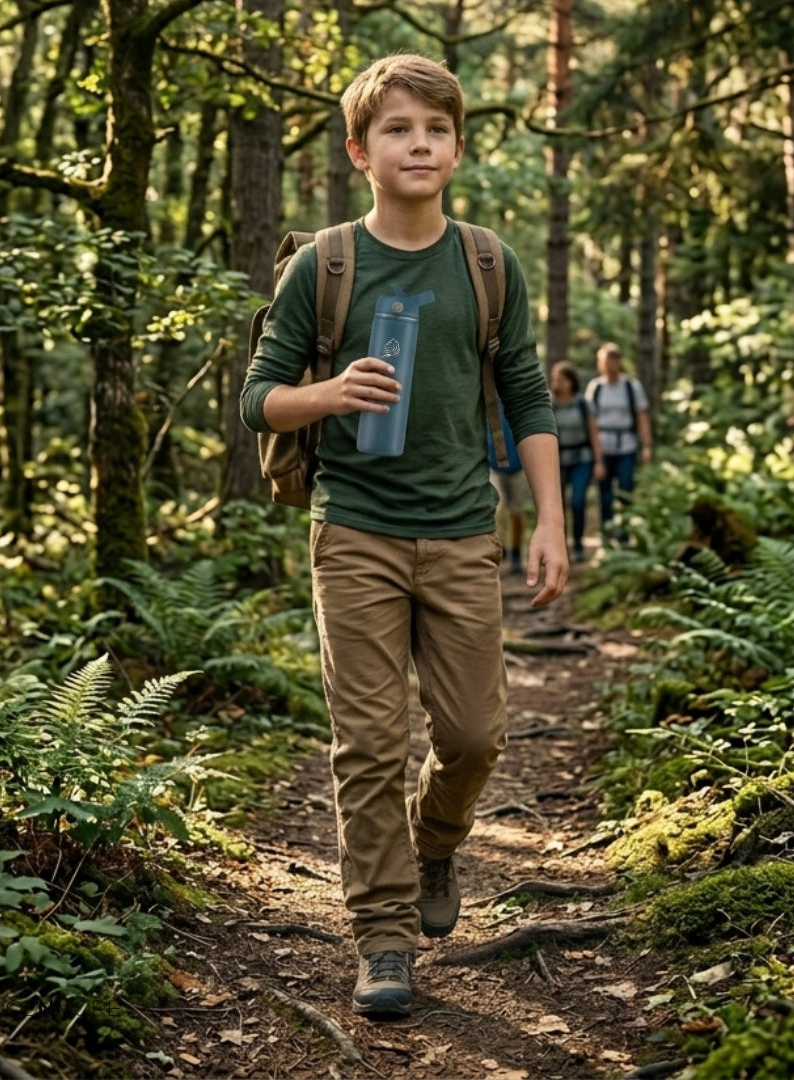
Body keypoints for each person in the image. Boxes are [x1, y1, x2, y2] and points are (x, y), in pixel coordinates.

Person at [240, 53, 568, 1020]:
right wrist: (330, 393)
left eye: (435, 128)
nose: (418, 142)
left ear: (457, 148)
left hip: (465, 530)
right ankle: (382, 935)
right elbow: (260, 399)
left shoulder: (485, 260)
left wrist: (549, 522)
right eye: (397, 129)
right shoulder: (325, 263)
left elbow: (529, 397)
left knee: (473, 735)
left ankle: (435, 843)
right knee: (370, 742)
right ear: (360, 151)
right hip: (356, 531)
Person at [585, 342, 652, 536]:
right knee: (605, 493)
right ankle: (607, 533)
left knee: (625, 489)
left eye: (611, 361)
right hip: (603, 447)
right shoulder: (595, 387)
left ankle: (624, 533)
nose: (607, 365)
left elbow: (641, 417)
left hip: (627, 446)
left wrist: (646, 446)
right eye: (604, 361)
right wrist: (595, 456)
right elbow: (591, 422)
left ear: (618, 362)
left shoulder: (632, 386)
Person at [549, 359, 604, 563]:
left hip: (582, 458)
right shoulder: (549, 403)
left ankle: (579, 543)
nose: (559, 383)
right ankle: (560, 546)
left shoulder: (583, 404)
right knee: (557, 505)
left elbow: (593, 433)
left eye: (563, 379)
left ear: (572, 381)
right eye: (556, 379)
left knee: (577, 500)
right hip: (558, 460)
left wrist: (599, 461)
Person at [488, 402, 529, 573]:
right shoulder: (487, 401)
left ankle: (517, 553)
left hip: (517, 467)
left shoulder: (517, 402)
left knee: (516, 512)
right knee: (497, 511)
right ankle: (499, 550)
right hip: (494, 466)